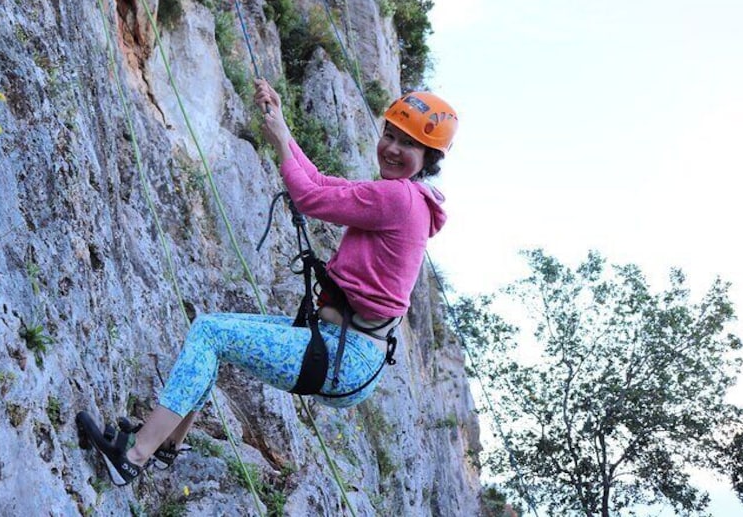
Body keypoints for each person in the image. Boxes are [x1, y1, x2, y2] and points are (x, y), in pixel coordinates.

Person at [76, 78, 459, 486]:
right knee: (212, 329)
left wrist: (279, 142)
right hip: (342, 347)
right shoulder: (399, 196)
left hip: (343, 355)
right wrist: (280, 124)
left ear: (429, 157)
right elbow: (320, 182)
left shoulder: (399, 199)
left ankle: (133, 456)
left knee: (210, 333)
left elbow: (309, 199)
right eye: (390, 135)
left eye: (409, 144)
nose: (392, 148)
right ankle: (166, 442)